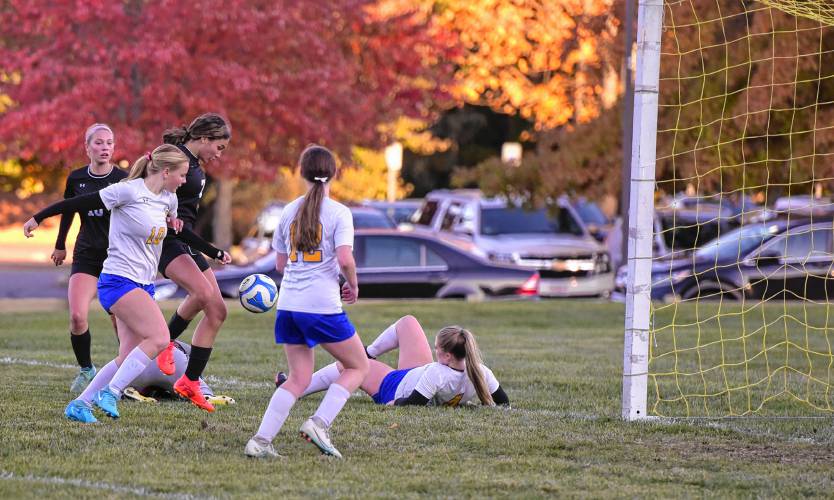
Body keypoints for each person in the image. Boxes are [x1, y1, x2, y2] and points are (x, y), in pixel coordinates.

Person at [23, 144, 230, 424]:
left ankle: (80, 403)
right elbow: (77, 203)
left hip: (143, 284)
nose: (184, 180)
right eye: (181, 175)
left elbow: (177, 233)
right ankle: (112, 391)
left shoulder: (168, 200)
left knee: (126, 357)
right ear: (166, 171)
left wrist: (213, 252)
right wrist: (38, 217)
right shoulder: (127, 191)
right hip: (118, 281)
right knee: (159, 338)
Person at [244, 144, 369, 460]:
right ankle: (319, 423)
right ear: (334, 174)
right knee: (358, 365)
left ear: (301, 173)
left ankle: (260, 441)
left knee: (298, 378)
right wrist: (352, 285)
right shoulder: (339, 212)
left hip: (288, 305)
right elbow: (345, 258)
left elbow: (280, 266)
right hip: (320, 306)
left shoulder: (288, 211)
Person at [155, 113, 232, 413]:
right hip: (168, 242)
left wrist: (204, 248)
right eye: (219, 147)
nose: (219, 154)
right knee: (201, 294)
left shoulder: (194, 165)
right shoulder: (175, 159)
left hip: (185, 241)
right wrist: (211, 249)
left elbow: (184, 220)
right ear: (204, 138)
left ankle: (190, 381)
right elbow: (168, 218)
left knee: (218, 311)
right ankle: (164, 344)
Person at [51, 123, 127, 393]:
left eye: (109, 143)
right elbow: (69, 211)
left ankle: (126, 376)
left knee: (120, 321)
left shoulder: (124, 179)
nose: (104, 147)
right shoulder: (76, 178)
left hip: (118, 260)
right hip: (86, 256)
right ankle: (86, 370)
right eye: (99, 143)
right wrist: (60, 245)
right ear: (87, 147)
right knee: (77, 316)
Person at [289, 315, 509, 407]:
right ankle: (371, 351)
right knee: (408, 322)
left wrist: (395, 403)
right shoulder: (481, 371)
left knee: (351, 363)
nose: (434, 350)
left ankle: (295, 388)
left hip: (394, 387)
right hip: (416, 375)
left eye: (437, 348)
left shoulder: (437, 373)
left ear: (448, 355)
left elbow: (413, 403)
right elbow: (504, 403)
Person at [122, 340, 234, 407]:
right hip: (173, 361)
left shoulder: (143, 339)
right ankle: (207, 396)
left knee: (129, 383)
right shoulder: (183, 347)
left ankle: (132, 389)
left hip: (140, 361)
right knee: (193, 386)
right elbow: (196, 368)